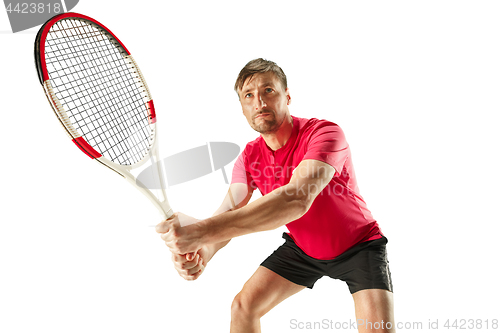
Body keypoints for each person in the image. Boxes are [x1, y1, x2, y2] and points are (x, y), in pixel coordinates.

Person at [155, 58, 395, 333]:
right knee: (243, 308)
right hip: (303, 249)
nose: (259, 102)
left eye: (268, 90)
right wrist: (203, 253)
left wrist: (200, 231)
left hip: (359, 245)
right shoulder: (249, 158)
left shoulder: (324, 133)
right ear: (243, 109)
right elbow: (229, 213)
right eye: (249, 96)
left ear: (287, 96)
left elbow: (296, 198)